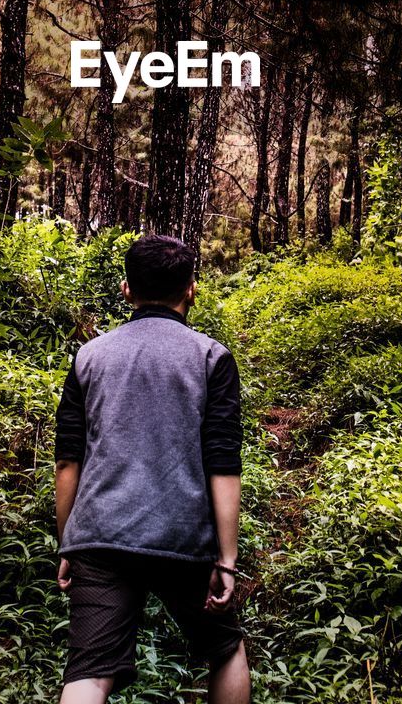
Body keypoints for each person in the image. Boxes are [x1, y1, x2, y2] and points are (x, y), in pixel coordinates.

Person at [53, 233, 250, 703]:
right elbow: (222, 462)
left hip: (100, 535)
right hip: (183, 537)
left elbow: (67, 460)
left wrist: (69, 542)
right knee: (224, 650)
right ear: (191, 290)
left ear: (126, 289)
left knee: (89, 671)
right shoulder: (211, 358)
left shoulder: (89, 356)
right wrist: (227, 558)